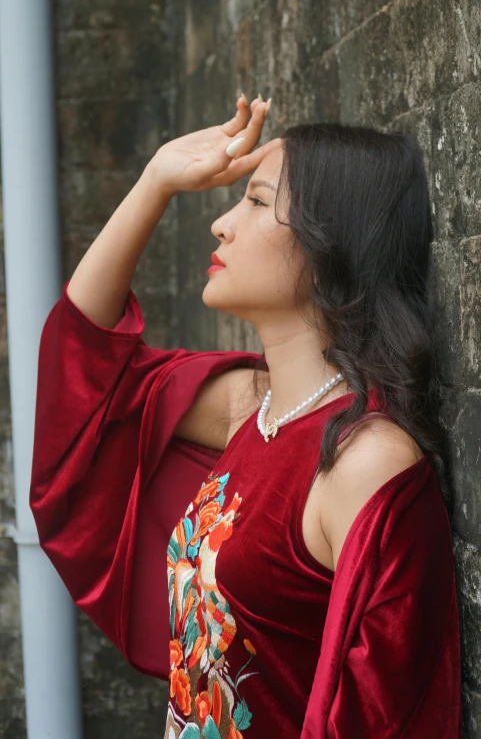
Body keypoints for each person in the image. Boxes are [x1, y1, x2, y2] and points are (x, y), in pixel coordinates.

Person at [30, 95, 463, 738]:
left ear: (329, 239)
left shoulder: (365, 460)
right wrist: (156, 180)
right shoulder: (251, 410)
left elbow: (385, 717)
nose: (221, 224)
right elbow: (84, 378)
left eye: (257, 201)